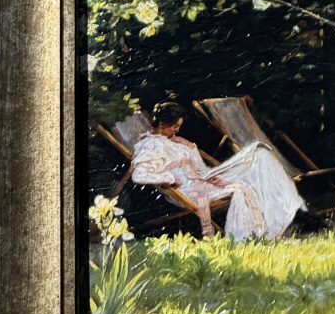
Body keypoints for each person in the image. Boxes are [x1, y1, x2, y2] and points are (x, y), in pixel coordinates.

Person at [126, 103, 305, 242]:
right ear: (162, 124)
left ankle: (282, 217)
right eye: (175, 126)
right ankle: (248, 236)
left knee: (259, 155)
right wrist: (169, 177)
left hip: (204, 178)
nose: (177, 130)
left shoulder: (172, 140)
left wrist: (191, 152)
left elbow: (198, 168)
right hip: (187, 190)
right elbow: (139, 175)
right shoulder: (151, 145)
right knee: (243, 185)